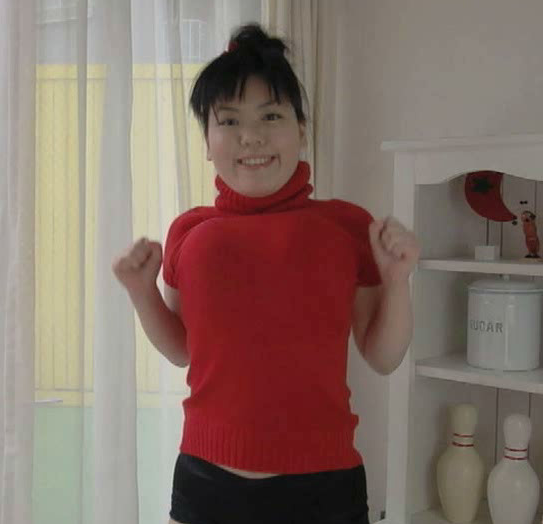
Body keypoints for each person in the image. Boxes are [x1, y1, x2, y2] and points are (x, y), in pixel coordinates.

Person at [112, 23, 420, 524]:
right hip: (206, 481)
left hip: (324, 484)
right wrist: (140, 291)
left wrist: (398, 281)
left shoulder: (346, 226)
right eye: (229, 121)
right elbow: (183, 349)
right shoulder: (189, 232)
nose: (251, 136)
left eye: (271, 115)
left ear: (302, 129)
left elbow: (383, 356)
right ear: (207, 140)